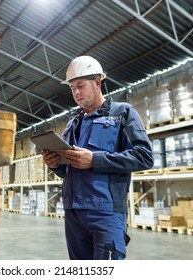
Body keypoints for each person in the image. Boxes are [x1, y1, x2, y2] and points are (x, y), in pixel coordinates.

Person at [41, 55, 154, 260]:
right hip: (73, 212)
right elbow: (67, 171)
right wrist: (55, 165)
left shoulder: (123, 113)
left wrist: (95, 159)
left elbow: (144, 156)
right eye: (72, 87)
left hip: (106, 212)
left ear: (97, 82)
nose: (75, 92)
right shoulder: (72, 123)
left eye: (80, 85)